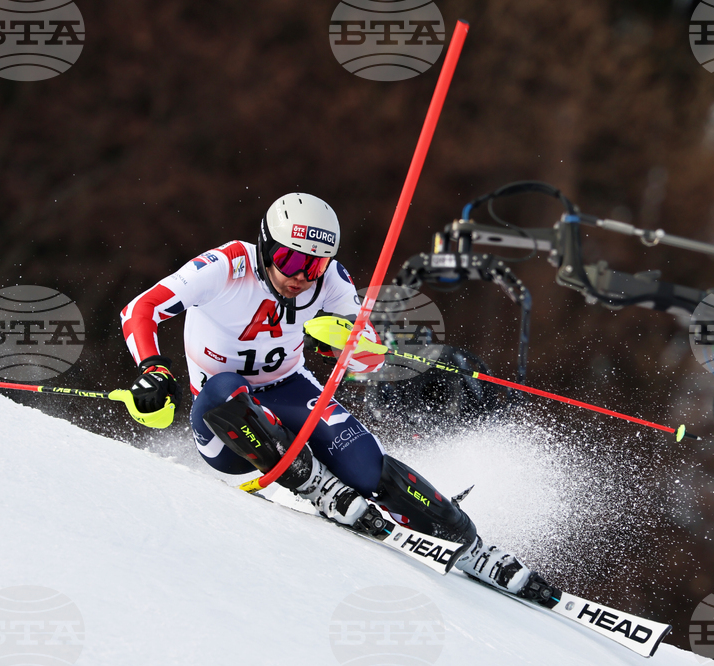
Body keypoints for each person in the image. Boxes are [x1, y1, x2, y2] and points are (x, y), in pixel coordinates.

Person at [120, 192, 559, 606]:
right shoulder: (226, 266)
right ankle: (317, 486)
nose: (300, 276)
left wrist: (345, 343)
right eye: (290, 260)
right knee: (223, 389)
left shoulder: (330, 279)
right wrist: (153, 368)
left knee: (368, 468)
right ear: (266, 245)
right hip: (225, 424)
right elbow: (140, 309)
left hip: (289, 389)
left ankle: (470, 545)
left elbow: (369, 353)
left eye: (313, 266)